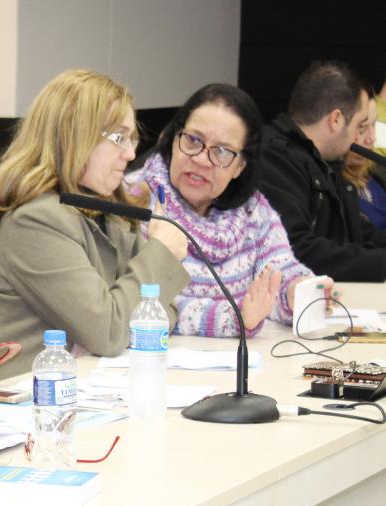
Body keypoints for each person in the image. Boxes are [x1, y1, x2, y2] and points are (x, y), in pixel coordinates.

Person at [0, 69, 190, 379]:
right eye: (119, 138)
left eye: (133, 138)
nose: (131, 153)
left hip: (54, 394)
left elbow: (160, 314)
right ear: (74, 137)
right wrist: (161, 251)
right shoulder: (35, 221)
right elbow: (109, 332)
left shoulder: (114, 212)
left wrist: (119, 319)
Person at [126, 84, 332, 337]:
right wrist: (234, 317)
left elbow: (278, 270)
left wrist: (295, 291)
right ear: (173, 138)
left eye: (222, 152)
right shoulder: (134, 201)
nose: (201, 159)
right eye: (193, 140)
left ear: (240, 166)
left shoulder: (253, 211)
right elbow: (143, 305)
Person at [261, 61, 386, 281]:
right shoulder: (274, 159)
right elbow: (298, 249)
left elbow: (358, 232)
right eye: (359, 125)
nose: (360, 137)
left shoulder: (323, 162)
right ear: (336, 119)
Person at [343, 94, 386, 230]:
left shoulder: (375, 170)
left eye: (373, 124)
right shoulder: (332, 188)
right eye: (361, 128)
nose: (371, 138)